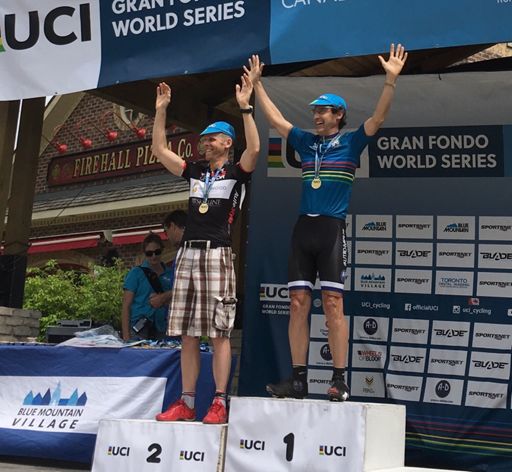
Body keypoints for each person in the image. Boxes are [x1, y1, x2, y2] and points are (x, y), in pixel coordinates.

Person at [246, 44, 408, 401]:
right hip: (303, 229)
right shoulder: (306, 143)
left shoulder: (351, 143)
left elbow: (378, 119)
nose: (316, 116)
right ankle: (298, 380)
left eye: (323, 111)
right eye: (315, 111)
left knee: (333, 303)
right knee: (297, 303)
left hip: (331, 230)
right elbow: (276, 120)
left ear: (339, 115)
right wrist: (258, 85)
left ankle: (339, 379)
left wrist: (390, 81)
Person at [151, 72, 260, 424]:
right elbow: (159, 150)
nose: (204, 145)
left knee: (218, 332)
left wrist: (245, 109)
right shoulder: (196, 171)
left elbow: (255, 150)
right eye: (203, 140)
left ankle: (219, 401)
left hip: (217, 253)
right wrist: (161, 110)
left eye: (211, 139)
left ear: (227, 143)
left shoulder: (237, 172)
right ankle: (186, 402)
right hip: (187, 254)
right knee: (187, 331)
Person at [121, 232, 174, 341]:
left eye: (157, 252)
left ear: (162, 250)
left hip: (163, 327)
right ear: (144, 254)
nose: (154, 256)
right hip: (139, 328)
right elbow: (126, 305)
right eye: (149, 253)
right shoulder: (135, 273)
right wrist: (126, 336)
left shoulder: (170, 273)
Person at [148, 209, 187, 310]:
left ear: (173, 226)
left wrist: (162, 298)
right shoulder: (184, 250)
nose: (167, 237)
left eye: (166, 232)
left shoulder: (189, 251)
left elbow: (187, 287)